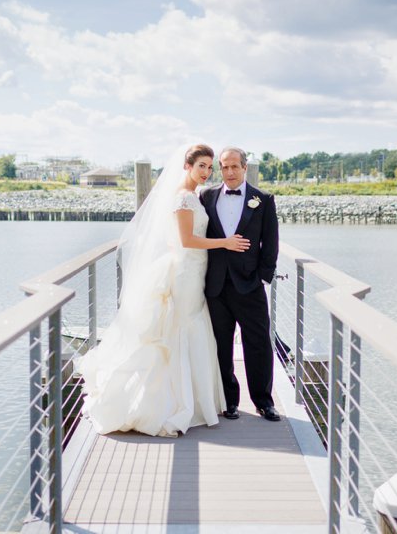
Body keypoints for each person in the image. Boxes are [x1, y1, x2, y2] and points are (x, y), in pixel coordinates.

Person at [76, 144, 250, 436]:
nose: (207, 172)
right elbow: (186, 240)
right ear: (187, 166)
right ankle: (176, 401)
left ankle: (197, 398)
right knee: (183, 328)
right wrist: (225, 242)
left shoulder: (194, 196)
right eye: (202, 166)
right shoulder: (182, 199)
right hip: (186, 271)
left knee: (191, 327)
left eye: (210, 167)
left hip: (195, 269)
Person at [200, 147, 281, 422]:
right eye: (224, 167)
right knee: (221, 345)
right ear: (219, 169)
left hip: (250, 284)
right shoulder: (206, 197)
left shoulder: (263, 199)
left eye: (235, 166)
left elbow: (270, 243)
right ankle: (229, 401)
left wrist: (263, 276)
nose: (230, 172)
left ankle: (264, 401)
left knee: (258, 343)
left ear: (245, 167)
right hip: (216, 285)